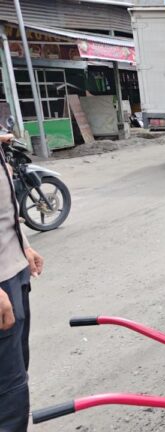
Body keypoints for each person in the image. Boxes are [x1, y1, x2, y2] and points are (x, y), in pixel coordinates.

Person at [1, 132, 44, 432]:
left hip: (13, 270)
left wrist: (23, 246)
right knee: (9, 387)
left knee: (17, 372)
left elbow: (6, 213)